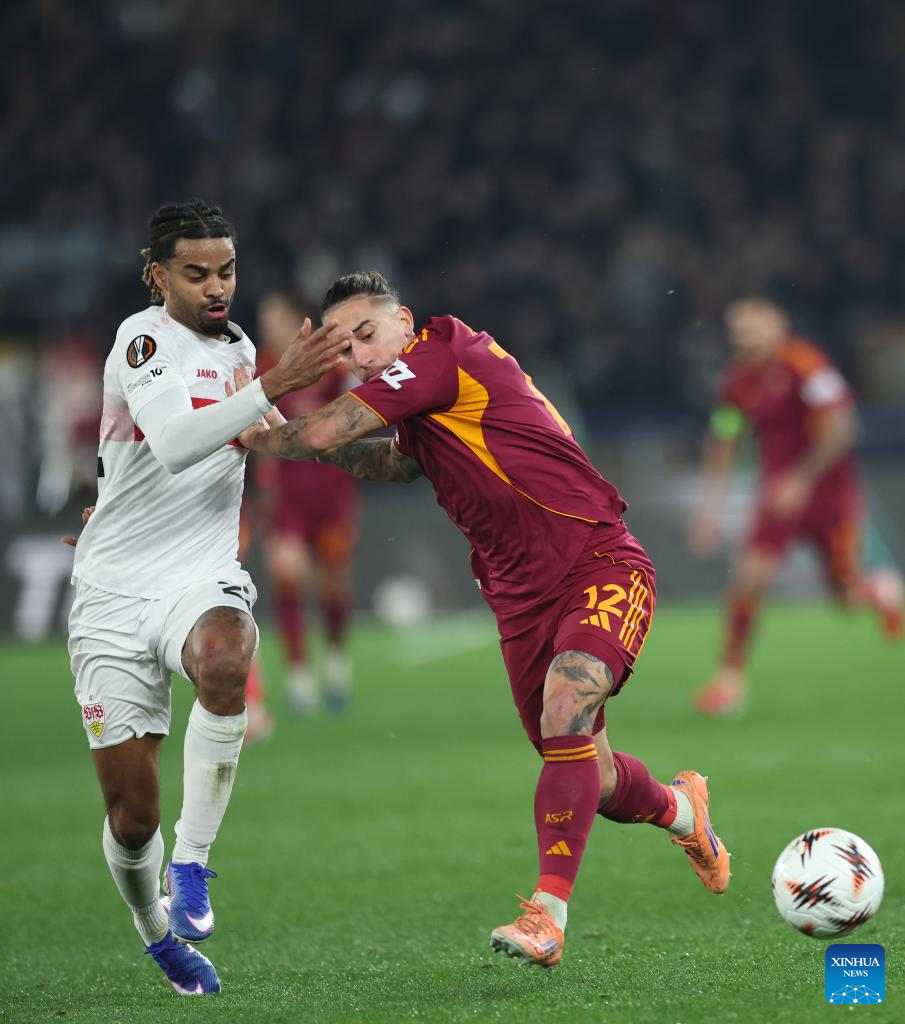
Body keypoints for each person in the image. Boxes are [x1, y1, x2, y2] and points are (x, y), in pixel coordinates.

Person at [227, 270, 731, 970]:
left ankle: (547, 916)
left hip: (598, 561)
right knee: (593, 774)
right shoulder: (423, 401)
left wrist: (253, 428)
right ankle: (683, 811)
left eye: (366, 336)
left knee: (565, 708)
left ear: (404, 321)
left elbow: (322, 430)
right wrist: (287, 436)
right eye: (346, 352)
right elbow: (394, 464)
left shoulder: (441, 353)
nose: (361, 358)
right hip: (519, 599)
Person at [63, 199, 348, 995]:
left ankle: (191, 863)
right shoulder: (143, 338)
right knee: (132, 817)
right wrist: (277, 383)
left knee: (225, 660)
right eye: (197, 273)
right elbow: (177, 442)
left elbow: (263, 436)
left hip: (199, 574)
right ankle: (156, 931)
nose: (217, 286)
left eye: (226, 270)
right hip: (113, 593)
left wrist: (381, 442)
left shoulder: (240, 350)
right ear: (158, 276)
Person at [688, 297, 903, 716]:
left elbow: (843, 428)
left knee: (843, 597)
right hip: (778, 496)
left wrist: (802, 478)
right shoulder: (738, 381)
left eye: (753, 327)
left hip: (829, 495)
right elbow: (725, 437)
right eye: (738, 330)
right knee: (748, 579)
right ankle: (729, 681)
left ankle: (878, 591)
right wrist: (710, 509)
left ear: (778, 325)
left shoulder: (807, 365)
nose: (745, 337)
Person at [253, 290, 359, 714]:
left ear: (299, 320)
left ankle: (335, 660)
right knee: (288, 573)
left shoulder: (330, 362)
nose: (268, 327)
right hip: (287, 496)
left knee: (333, 581)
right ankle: (298, 676)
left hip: (331, 492)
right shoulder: (263, 367)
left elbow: (357, 408)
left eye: (275, 318)